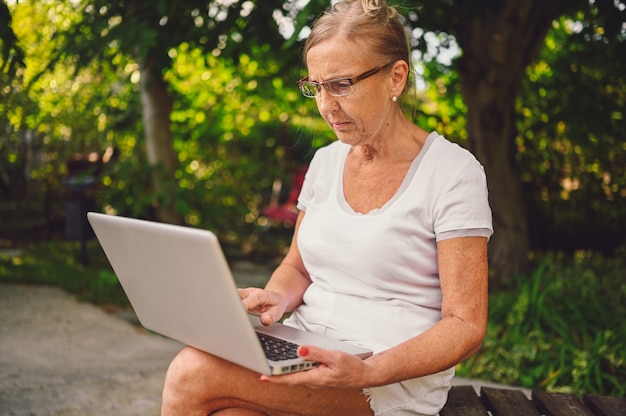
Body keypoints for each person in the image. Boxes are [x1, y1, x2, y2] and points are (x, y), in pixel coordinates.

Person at [161, 0, 493, 414]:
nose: (325, 105)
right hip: (307, 348)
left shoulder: (453, 172)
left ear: (396, 77)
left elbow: (465, 326)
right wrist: (277, 298)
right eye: (316, 86)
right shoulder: (326, 162)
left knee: (192, 370)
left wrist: (368, 372)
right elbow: (298, 267)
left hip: (386, 378)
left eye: (341, 84)